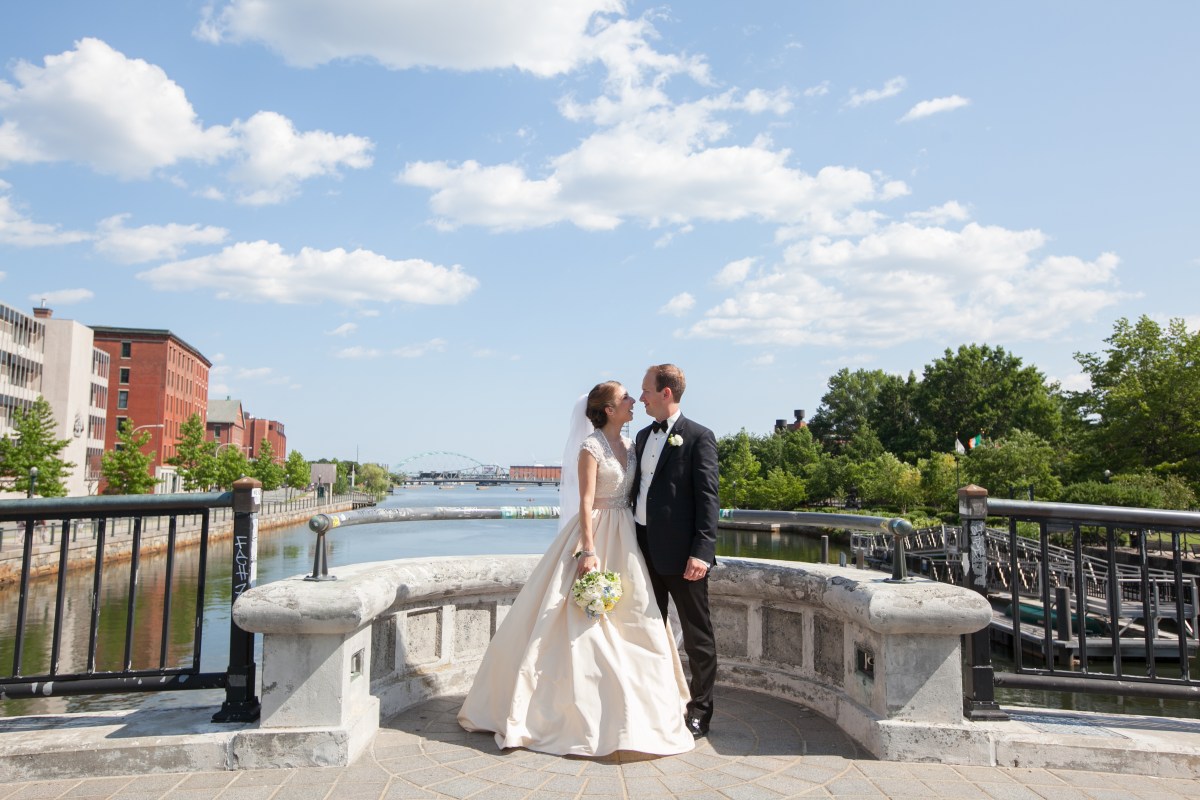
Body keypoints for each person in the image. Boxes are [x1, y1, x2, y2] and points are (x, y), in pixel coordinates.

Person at [457, 381, 694, 757]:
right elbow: (584, 502)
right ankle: (572, 715)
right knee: (583, 622)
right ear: (609, 410)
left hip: (628, 535)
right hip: (595, 532)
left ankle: (644, 709)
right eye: (625, 398)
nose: (634, 400)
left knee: (639, 618)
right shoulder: (590, 447)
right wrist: (588, 550)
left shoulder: (633, 446)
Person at [632, 364, 720, 739]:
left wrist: (701, 552)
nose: (641, 398)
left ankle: (700, 710)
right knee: (645, 630)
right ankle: (655, 703)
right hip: (639, 551)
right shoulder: (640, 436)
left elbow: (708, 499)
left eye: (646, 390)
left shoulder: (699, 437)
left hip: (684, 558)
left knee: (697, 635)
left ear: (666, 393)